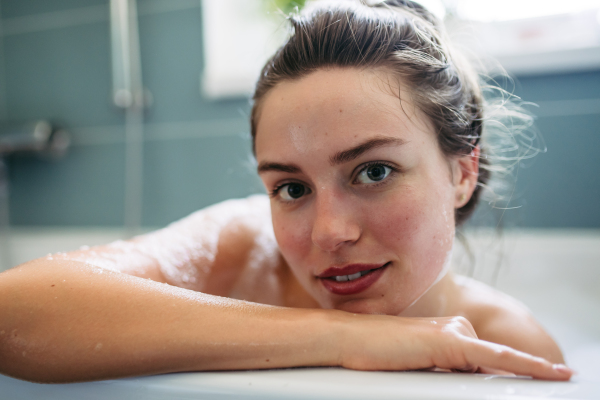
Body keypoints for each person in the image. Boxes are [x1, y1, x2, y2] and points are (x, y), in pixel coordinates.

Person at [0, 0, 573, 383]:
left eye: (373, 172)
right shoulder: (241, 250)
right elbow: (12, 312)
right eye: (292, 187)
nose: (329, 232)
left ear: (461, 173)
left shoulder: (510, 348)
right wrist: (344, 337)